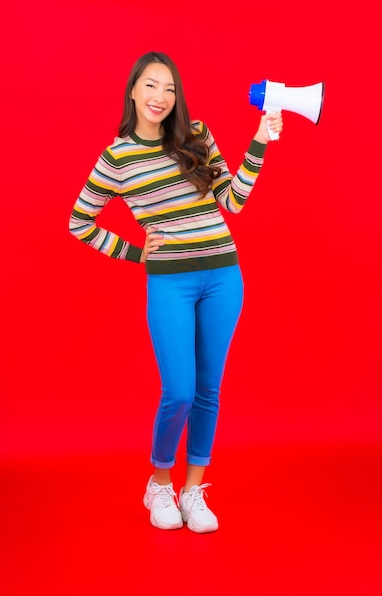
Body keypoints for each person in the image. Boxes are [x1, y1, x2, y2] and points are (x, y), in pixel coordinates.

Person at [69, 51, 283, 534]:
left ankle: (193, 491)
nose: (160, 97)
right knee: (180, 390)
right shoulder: (117, 157)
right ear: (132, 91)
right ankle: (159, 481)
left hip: (225, 276)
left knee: (209, 391)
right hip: (170, 282)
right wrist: (133, 252)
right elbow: (79, 221)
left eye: (169, 89)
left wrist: (259, 141)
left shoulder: (197, 135)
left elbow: (233, 200)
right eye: (150, 86)